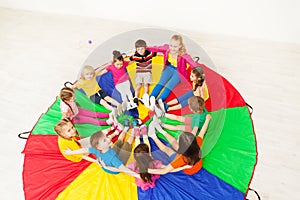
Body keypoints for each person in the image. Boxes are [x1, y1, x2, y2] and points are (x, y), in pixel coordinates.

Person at [147, 112, 211, 175]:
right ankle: (161, 130)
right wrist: (207, 119)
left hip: (190, 170)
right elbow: (202, 132)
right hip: (195, 162)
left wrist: (147, 170)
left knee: (168, 150)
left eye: (179, 139)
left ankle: (153, 136)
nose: (177, 137)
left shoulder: (180, 159)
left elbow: (164, 170)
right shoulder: (196, 144)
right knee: (174, 143)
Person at [127, 122, 187, 190]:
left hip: (142, 178)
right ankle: (144, 136)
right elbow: (169, 169)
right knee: (142, 151)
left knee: (139, 152)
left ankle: (138, 136)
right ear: (148, 155)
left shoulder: (134, 166)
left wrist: (137, 175)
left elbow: (125, 169)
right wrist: (183, 167)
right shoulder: (154, 164)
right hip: (149, 174)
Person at [64, 127, 139, 178]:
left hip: (107, 165)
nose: (108, 139)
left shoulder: (97, 149)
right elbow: (124, 169)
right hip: (113, 167)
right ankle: (133, 131)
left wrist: (71, 152)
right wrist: (138, 176)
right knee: (127, 144)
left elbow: (85, 150)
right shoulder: (114, 159)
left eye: (106, 137)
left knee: (119, 141)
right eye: (105, 140)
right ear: (99, 147)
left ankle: (125, 129)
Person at [148, 34, 196, 102]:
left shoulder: (183, 55)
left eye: (175, 46)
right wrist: (145, 48)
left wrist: (197, 69)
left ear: (180, 46)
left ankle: (159, 101)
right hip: (169, 68)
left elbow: (191, 62)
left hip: (178, 72)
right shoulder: (167, 49)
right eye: (171, 45)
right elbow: (156, 48)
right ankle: (151, 98)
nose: (172, 48)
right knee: (160, 83)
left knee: (169, 86)